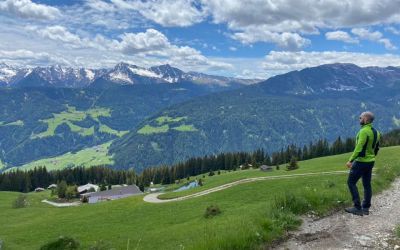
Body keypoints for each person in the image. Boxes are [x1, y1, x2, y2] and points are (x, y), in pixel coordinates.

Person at [345, 111, 380, 216]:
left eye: (360, 118)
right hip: (370, 162)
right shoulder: (376, 132)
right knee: (367, 184)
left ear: (365, 119)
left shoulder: (363, 131)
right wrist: (372, 157)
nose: (359, 119)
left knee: (351, 182)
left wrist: (351, 160)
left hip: (361, 162)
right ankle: (365, 208)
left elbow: (359, 148)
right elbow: (377, 148)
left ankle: (357, 207)